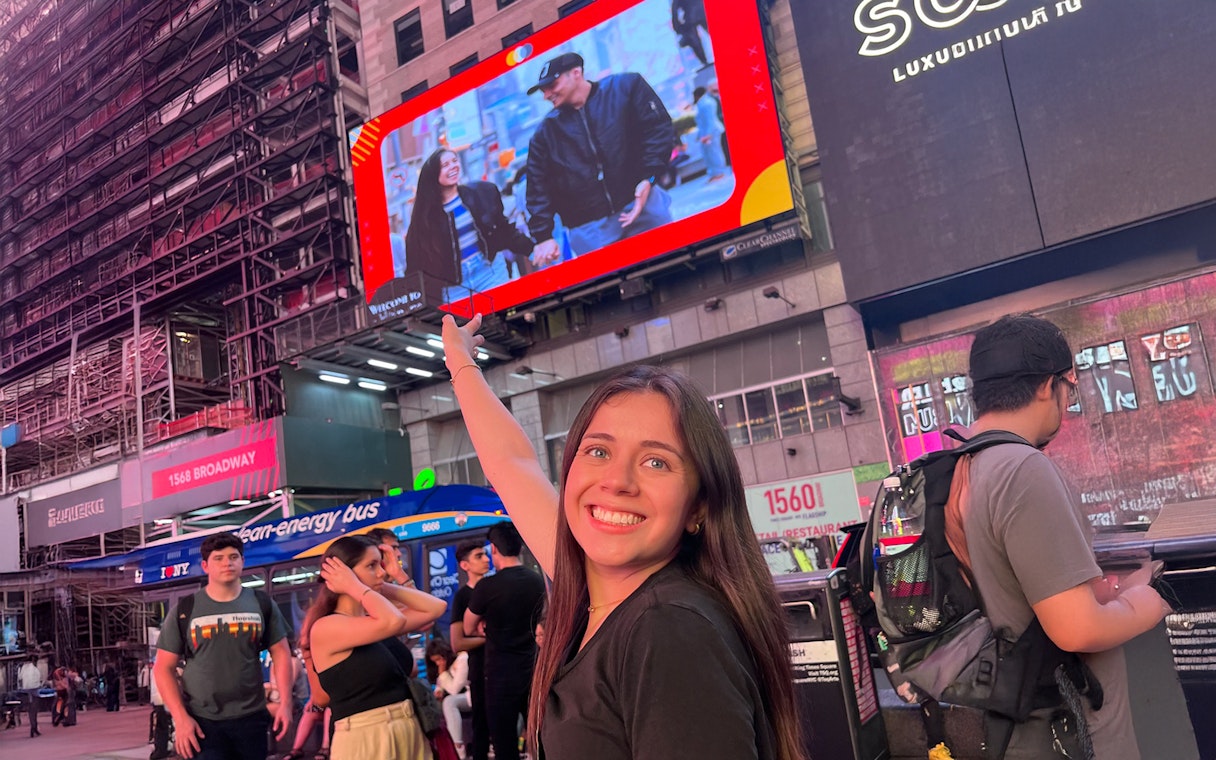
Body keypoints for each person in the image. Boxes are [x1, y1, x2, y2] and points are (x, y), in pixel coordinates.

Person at [444, 313, 805, 760]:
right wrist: (461, 364)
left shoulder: (667, 629)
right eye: (598, 451)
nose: (616, 481)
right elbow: (512, 464)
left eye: (656, 462)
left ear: (697, 507)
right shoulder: (599, 589)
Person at [958, 314, 1172, 758]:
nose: (1067, 403)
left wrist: (1109, 589)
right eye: (1069, 389)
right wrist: (1144, 604)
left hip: (1012, 720)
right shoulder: (1021, 469)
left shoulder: (963, 466)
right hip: (1067, 730)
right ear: (1044, 385)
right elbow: (1077, 628)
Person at [303, 534, 447, 760]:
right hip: (366, 735)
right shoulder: (325, 627)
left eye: (380, 565)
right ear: (344, 573)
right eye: (372, 565)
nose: (381, 572)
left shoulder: (373, 620)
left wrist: (384, 583)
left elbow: (435, 608)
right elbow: (394, 621)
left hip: (408, 727)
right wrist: (356, 586)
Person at [524, 53, 675, 264]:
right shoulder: (545, 134)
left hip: (643, 205)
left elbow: (658, 130)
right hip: (590, 230)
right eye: (543, 90)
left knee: (673, 265)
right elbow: (537, 188)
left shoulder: (626, 88)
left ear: (576, 73)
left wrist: (648, 179)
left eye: (552, 85)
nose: (547, 95)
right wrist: (543, 236)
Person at [154, 533, 294, 760]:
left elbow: (281, 653)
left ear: (242, 562)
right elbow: (162, 668)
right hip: (202, 721)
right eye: (218, 558)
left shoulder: (262, 604)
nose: (227, 563)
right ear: (205, 566)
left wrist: (286, 703)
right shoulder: (185, 609)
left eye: (233, 557)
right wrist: (181, 719)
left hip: (252, 718)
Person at [463, 523, 545, 760]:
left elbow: (468, 627)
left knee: (504, 741)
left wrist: (484, 624)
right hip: (532, 668)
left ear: (494, 549)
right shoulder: (535, 579)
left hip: (499, 675)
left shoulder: (487, 586)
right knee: (538, 736)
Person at [404, 149, 536, 288]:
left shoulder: (482, 193)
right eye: (445, 165)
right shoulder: (424, 217)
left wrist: (532, 250)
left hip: (490, 272)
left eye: (455, 161)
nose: (453, 166)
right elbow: (416, 262)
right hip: (454, 287)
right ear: (433, 174)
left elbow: (504, 231)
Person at [449, 540, 491, 760]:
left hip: (506, 667)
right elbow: (457, 643)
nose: (486, 559)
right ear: (465, 566)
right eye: (478, 556)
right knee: (481, 726)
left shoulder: (496, 587)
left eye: (485, 554)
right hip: (480, 670)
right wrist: (493, 639)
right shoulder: (463, 596)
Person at [426, 639, 470, 757]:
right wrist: (438, 691)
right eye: (435, 661)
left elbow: (454, 689)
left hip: (472, 696)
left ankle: (458, 747)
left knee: (449, 702)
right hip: (460, 697)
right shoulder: (446, 668)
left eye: (439, 659)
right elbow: (441, 685)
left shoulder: (462, 660)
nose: (438, 664)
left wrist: (442, 672)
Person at [693, 86, 726, 182]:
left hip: (712, 132)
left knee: (714, 152)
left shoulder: (707, 103)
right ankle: (714, 173)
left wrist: (708, 135)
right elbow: (702, 122)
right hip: (706, 133)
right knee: (709, 153)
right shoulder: (704, 103)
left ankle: (719, 172)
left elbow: (710, 120)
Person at [671, 0, 711, 68]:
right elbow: (674, 11)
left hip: (695, 14)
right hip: (697, 13)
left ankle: (704, 61)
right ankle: (703, 61)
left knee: (692, 37)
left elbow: (674, 11)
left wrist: (677, 28)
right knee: (692, 37)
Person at [18, 654, 41, 737]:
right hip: (34, 691)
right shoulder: (35, 669)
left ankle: (33, 727)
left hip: (26, 692)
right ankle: (34, 728)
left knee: (30, 711)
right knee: (34, 711)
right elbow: (39, 680)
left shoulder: (22, 669)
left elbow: (20, 679)